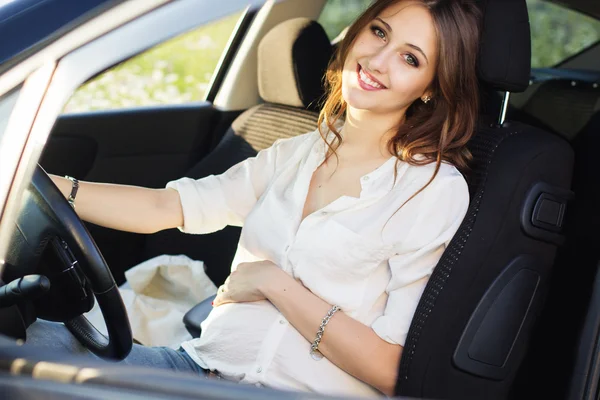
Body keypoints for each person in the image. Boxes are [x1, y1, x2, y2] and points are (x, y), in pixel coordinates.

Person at [27, 0, 481, 397]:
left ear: (430, 88)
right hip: (199, 371)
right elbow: (170, 207)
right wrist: (41, 188)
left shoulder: (431, 190)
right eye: (379, 31)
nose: (378, 60)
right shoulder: (296, 152)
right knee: (25, 339)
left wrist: (271, 283)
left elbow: (390, 371)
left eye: (409, 58)